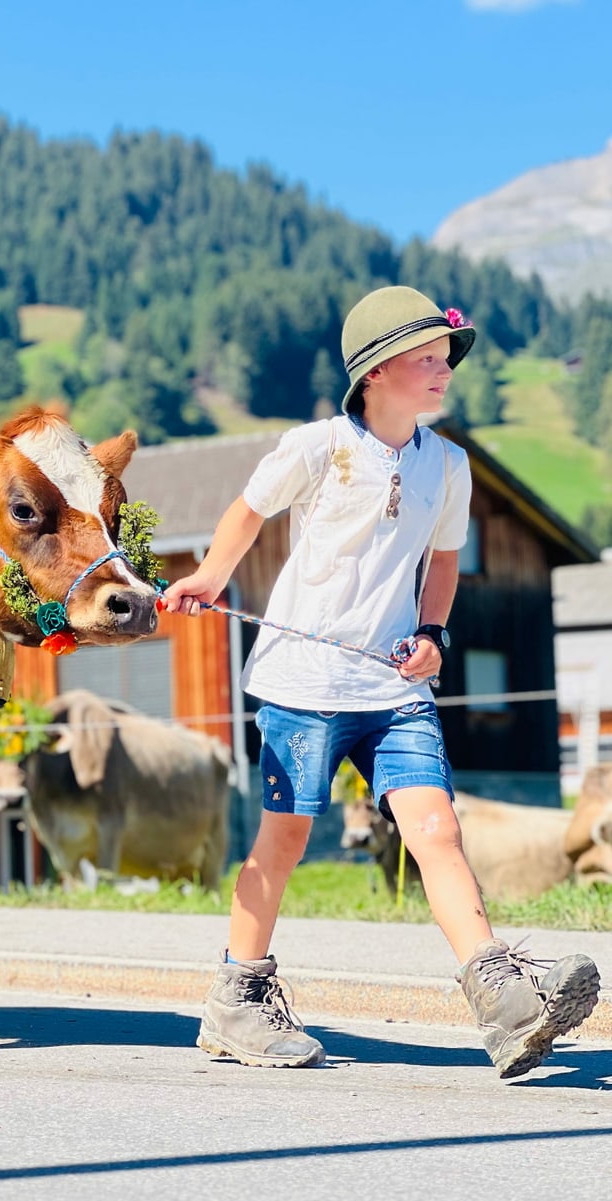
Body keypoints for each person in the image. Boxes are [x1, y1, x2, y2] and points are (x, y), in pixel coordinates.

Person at [163, 285, 601, 1079]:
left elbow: (441, 560)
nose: (443, 372)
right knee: (286, 839)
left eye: (445, 359)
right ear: (374, 374)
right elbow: (247, 511)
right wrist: (208, 577)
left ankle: (502, 1001)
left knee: (437, 830)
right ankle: (236, 998)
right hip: (302, 681)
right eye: (425, 360)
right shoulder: (318, 446)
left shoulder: (450, 465)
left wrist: (433, 633)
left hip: (393, 688)